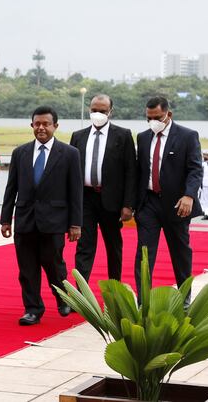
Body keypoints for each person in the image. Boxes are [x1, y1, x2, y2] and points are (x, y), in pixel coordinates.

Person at [0, 106, 82, 326]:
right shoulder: (20, 153)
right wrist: (6, 219)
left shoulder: (69, 154)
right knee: (27, 269)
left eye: (46, 124)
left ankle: (63, 298)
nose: (41, 128)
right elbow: (11, 188)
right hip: (25, 220)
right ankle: (32, 309)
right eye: (37, 124)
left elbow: (75, 192)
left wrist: (75, 223)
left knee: (54, 264)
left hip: (54, 221)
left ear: (55, 126)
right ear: (32, 126)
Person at [134, 96, 202, 307]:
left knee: (180, 253)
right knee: (144, 254)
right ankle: (143, 301)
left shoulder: (187, 136)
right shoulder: (143, 137)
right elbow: (139, 171)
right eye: (148, 118)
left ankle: (184, 299)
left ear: (168, 115)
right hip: (149, 204)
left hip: (177, 204)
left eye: (157, 117)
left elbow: (195, 169)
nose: (152, 122)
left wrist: (189, 195)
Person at [68, 94, 136, 283]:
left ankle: (115, 290)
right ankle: (81, 294)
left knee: (113, 247)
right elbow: (70, 172)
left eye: (102, 111)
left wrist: (128, 205)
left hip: (111, 200)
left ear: (110, 112)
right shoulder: (78, 136)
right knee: (84, 247)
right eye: (94, 110)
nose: (98, 114)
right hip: (85, 199)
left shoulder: (123, 136)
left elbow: (131, 171)